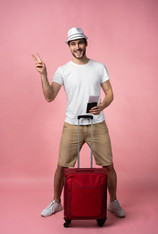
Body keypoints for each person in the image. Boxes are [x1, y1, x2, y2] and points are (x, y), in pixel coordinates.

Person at [32, 27, 125, 218]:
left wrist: (102, 105)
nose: (77, 47)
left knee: (109, 166)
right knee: (61, 166)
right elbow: (49, 97)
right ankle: (56, 202)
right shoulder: (63, 70)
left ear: (86, 43)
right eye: (73, 44)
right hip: (72, 125)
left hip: (96, 124)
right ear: (69, 46)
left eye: (80, 42)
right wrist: (43, 74)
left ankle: (113, 202)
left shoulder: (99, 67)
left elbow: (110, 94)